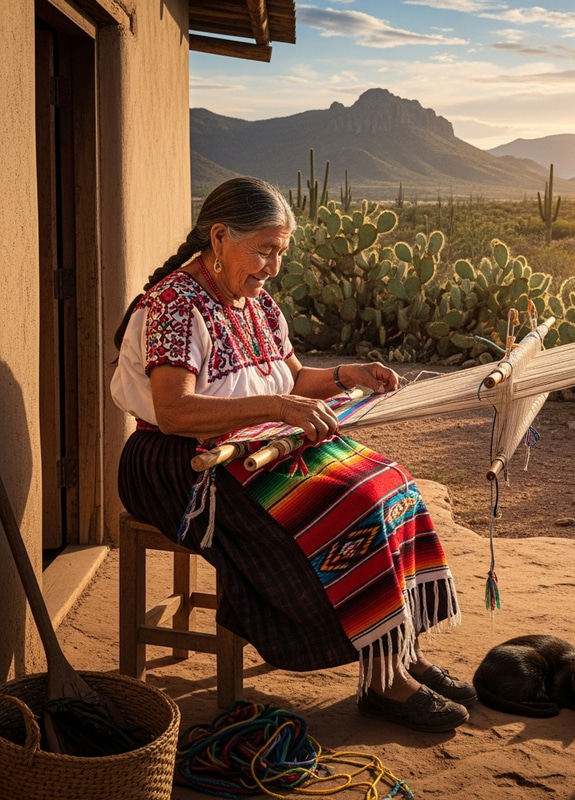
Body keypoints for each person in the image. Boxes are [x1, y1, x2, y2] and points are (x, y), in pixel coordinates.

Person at [111, 176, 476, 732]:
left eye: (280, 252)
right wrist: (280, 409)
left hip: (252, 444)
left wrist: (345, 375)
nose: (273, 266)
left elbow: (290, 378)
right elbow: (175, 412)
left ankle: (398, 652)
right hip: (179, 462)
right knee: (339, 503)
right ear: (217, 237)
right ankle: (386, 683)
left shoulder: (253, 299)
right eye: (264, 250)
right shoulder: (173, 305)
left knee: (387, 481)